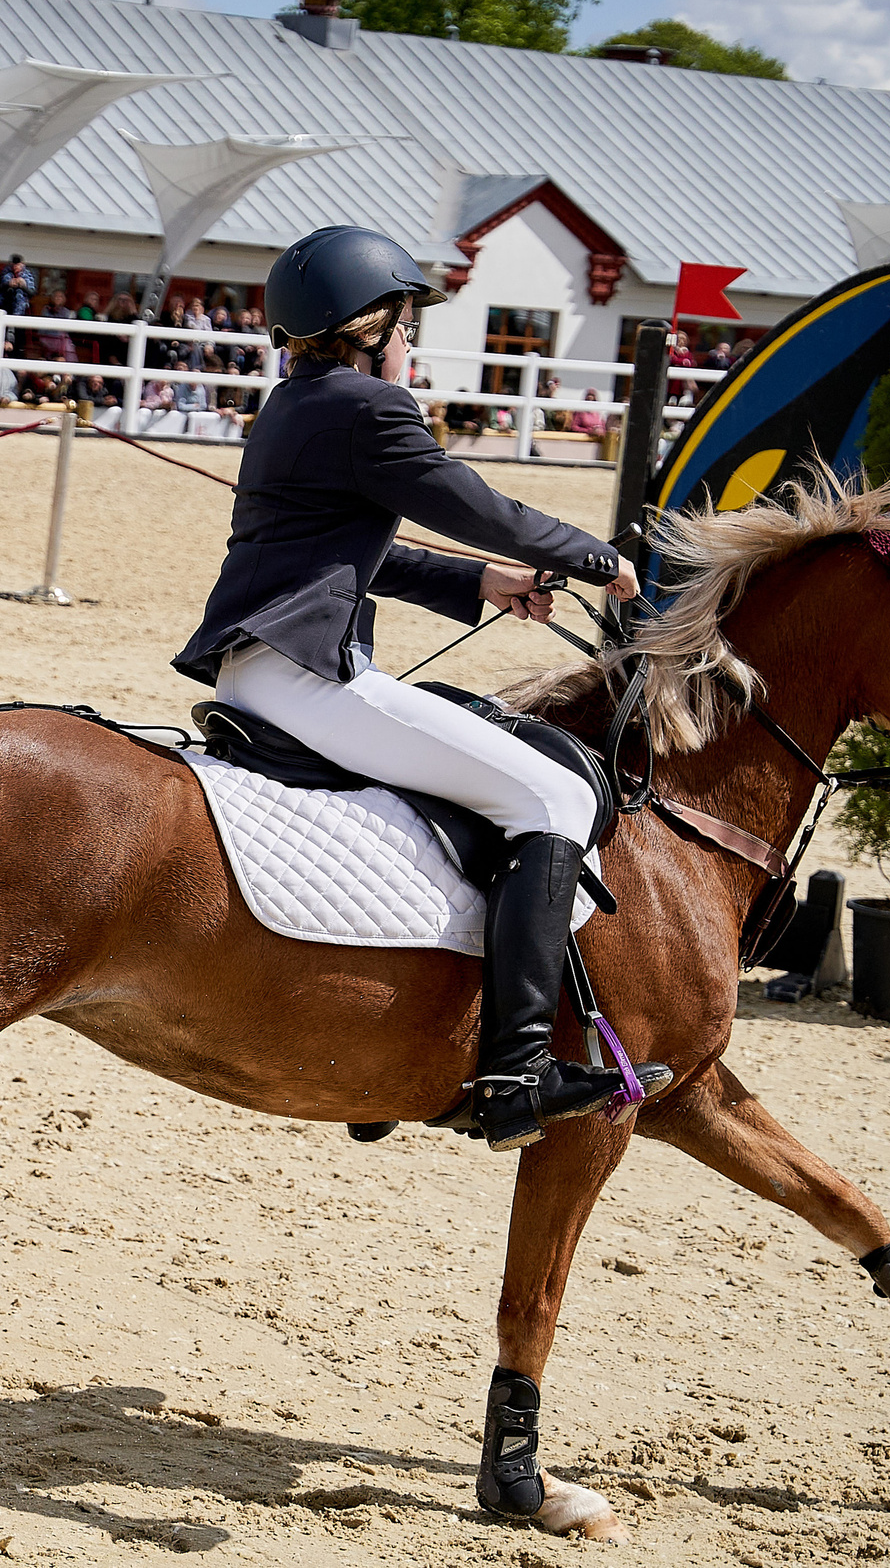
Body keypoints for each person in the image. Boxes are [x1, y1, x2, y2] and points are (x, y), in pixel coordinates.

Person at [171, 225, 669, 1152]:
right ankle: (518, 1071)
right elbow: (473, 501)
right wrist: (596, 557)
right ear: (369, 327)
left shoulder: (296, 402)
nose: (412, 341)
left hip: (265, 665)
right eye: (407, 321)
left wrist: (475, 583)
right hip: (308, 678)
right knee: (554, 793)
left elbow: (345, 552)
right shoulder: (369, 407)